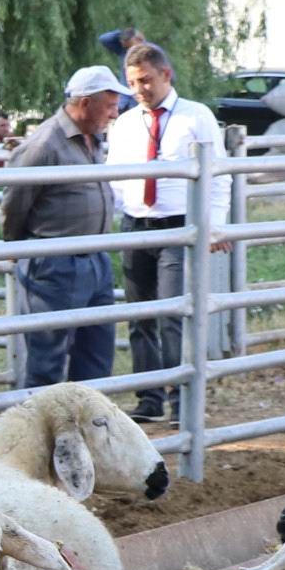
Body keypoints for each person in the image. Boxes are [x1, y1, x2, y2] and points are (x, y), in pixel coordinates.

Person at [101, 39, 220, 422]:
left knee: (171, 313)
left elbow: (218, 175)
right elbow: (114, 173)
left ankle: (179, 399)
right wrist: (115, 217)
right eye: (133, 83)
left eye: (146, 81)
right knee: (139, 316)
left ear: (166, 74)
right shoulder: (127, 122)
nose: (139, 90)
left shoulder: (195, 116)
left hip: (176, 225)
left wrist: (215, 226)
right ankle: (149, 399)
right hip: (136, 224)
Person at [5, 65, 125, 390]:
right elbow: (14, 203)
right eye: (110, 104)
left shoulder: (93, 139)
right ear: (85, 102)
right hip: (55, 260)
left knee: (96, 355)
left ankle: (84, 433)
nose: (115, 112)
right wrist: (23, 250)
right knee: (47, 360)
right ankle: (40, 436)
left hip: (95, 258)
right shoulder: (45, 144)